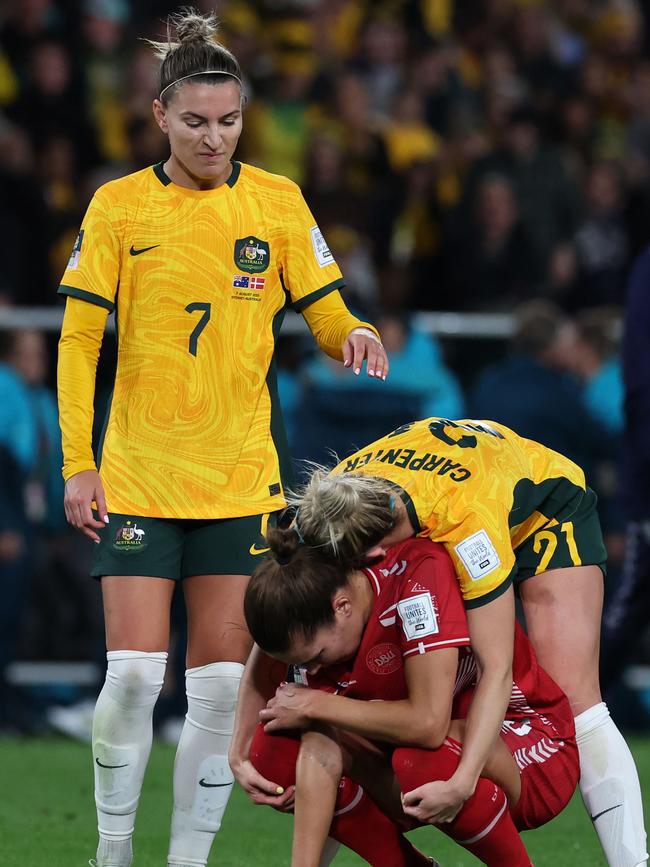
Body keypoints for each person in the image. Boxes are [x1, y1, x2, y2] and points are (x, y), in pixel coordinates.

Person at [56, 11, 388, 867]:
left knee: (213, 691)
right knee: (132, 676)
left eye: (229, 120)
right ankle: (112, 850)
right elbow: (79, 341)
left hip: (240, 480)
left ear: (246, 118)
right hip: (137, 474)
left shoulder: (276, 201)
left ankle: (185, 863)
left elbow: (321, 304)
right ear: (160, 116)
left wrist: (351, 329)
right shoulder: (119, 206)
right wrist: (78, 462)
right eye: (196, 121)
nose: (214, 137)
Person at [236, 416, 647, 867]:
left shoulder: (466, 526)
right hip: (443, 472)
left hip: (538, 505)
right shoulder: (327, 514)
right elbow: (287, 614)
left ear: (376, 548)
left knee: (578, 703)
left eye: (365, 562)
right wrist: (238, 748)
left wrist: (464, 779)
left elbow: (497, 668)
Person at [233, 529, 579, 866]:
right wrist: (239, 751)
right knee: (274, 747)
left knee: (421, 759)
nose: (314, 670)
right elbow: (315, 742)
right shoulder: (307, 581)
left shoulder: (416, 578)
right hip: (414, 759)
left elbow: (427, 725)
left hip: (526, 743)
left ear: (342, 606)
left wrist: (315, 704)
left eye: (317, 656)